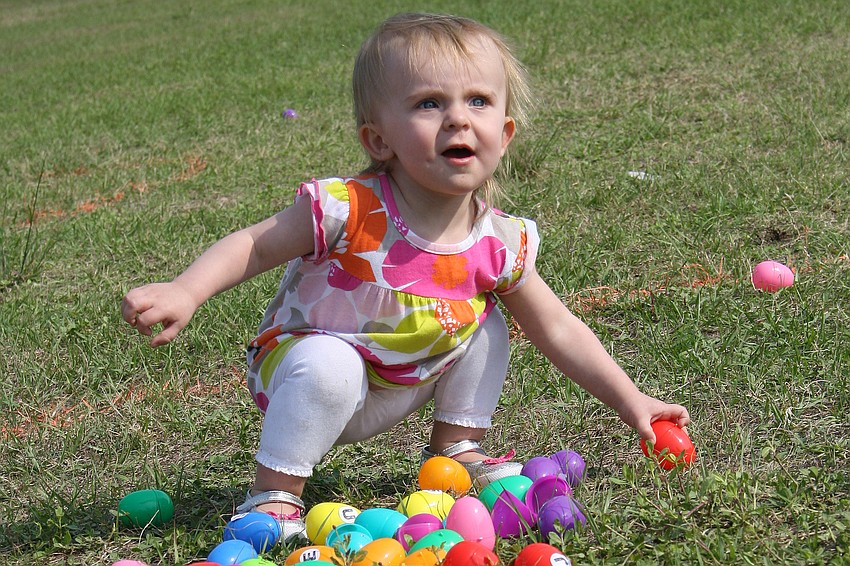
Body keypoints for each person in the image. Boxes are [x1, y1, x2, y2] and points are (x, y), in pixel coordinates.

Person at [121, 12, 690, 541]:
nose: (459, 118)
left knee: (487, 324)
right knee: (331, 364)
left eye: (479, 101)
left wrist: (631, 401)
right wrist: (185, 289)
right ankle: (274, 494)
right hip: (309, 378)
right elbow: (255, 244)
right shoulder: (350, 209)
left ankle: (457, 451)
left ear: (506, 131)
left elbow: (558, 328)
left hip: (404, 380)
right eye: (428, 103)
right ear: (379, 140)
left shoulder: (500, 243)